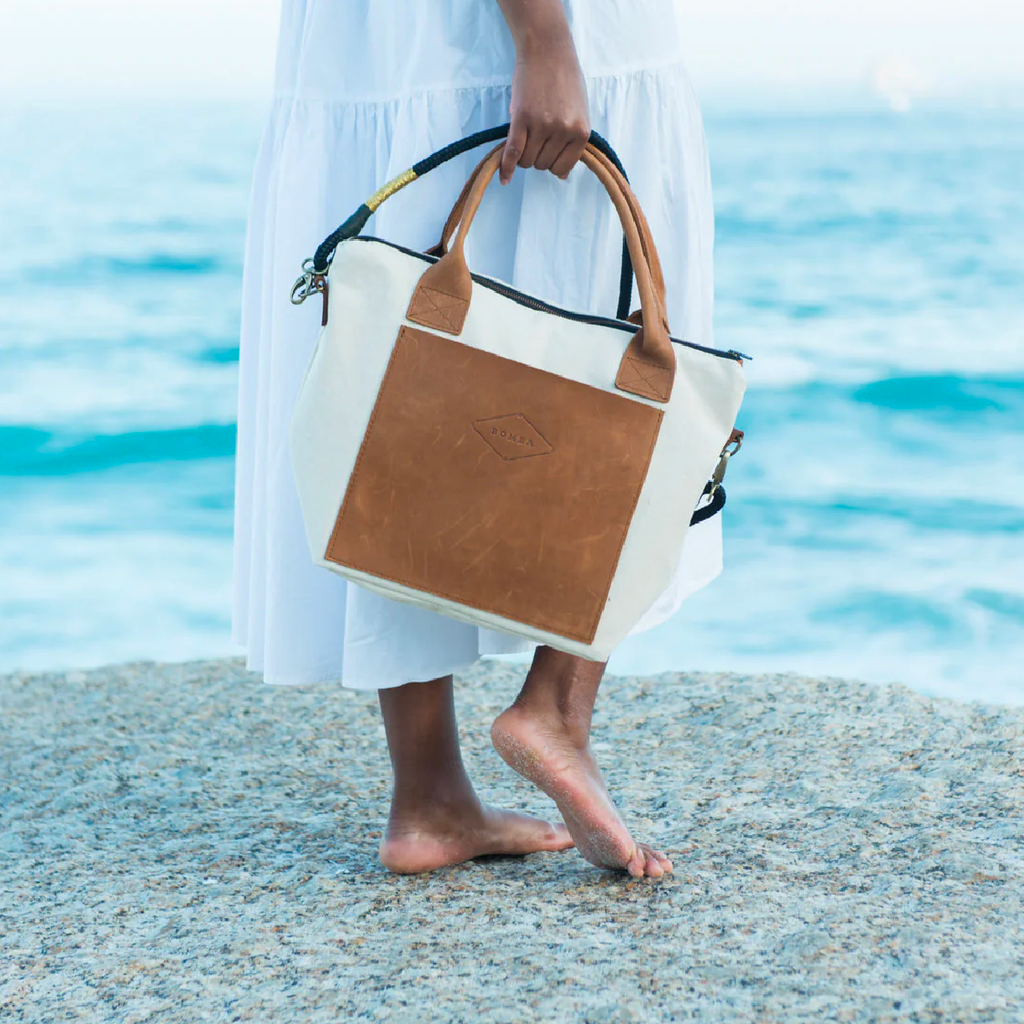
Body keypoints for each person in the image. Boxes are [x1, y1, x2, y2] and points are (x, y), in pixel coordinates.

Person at [234, 0, 719, 878]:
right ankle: (556, 713)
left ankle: (428, 797)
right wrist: (542, 34)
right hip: (519, 24)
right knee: (631, 332)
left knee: (407, 380)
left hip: (387, 37)